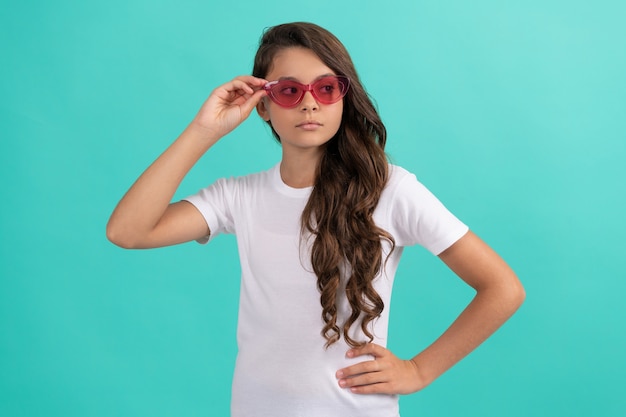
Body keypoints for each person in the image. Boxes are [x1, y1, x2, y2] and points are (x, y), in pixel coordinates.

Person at [107, 22, 525, 417]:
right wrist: (204, 131)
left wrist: (418, 370)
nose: (309, 102)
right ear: (263, 106)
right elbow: (128, 231)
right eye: (289, 90)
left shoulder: (391, 190)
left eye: (326, 88)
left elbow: (503, 288)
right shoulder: (238, 196)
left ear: (344, 97)